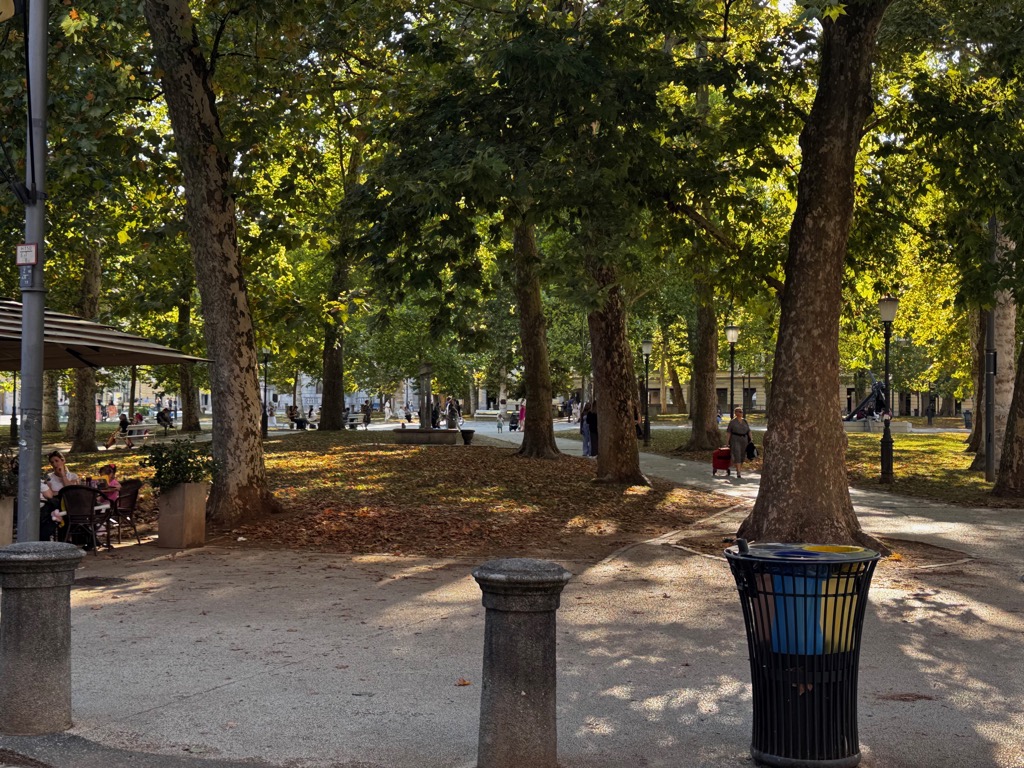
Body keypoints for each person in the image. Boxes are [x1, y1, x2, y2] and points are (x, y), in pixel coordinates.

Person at [726, 407, 751, 479]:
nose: (741, 413)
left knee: (742, 455)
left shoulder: (745, 421)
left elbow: (749, 431)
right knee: (737, 454)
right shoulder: (732, 422)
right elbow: (728, 432)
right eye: (739, 412)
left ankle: (738, 468)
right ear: (736, 413)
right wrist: (727, 442)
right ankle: (739, 472)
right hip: (735, 439)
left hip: (744, 439)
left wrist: (751, 440)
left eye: (741, 411)